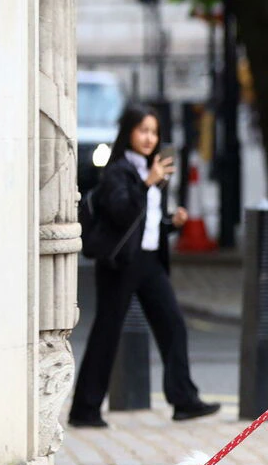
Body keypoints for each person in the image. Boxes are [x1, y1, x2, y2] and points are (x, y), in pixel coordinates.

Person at [68, 104, 221, 428]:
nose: (149, 138)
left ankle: (184, 400)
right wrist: (147, 183)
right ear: (129, 134)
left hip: (149, 261)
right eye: (143, 131)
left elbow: (144, 223)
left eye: (154, 132)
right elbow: (122, 213)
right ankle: (84, 409)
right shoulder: (118, 171)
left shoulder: (153, 171)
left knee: (173, 325)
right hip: (121, 263)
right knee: (107, 333)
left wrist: (171, 223)